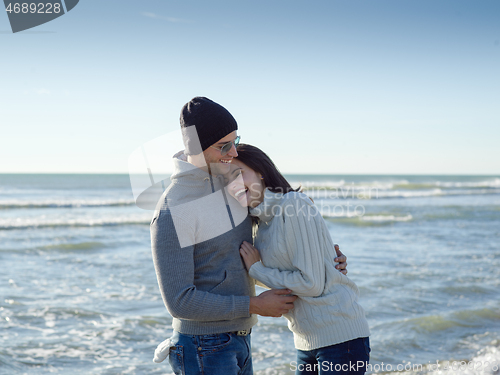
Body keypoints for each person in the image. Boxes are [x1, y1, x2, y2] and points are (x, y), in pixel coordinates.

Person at [150, 97, 348, 375]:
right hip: (202, 346)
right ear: (196, 146)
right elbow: (179, 301)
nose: (233, 152)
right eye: (223, 146)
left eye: (235, 140)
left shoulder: (230, 181)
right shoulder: (174, 210)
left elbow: (274, 232)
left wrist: (325, 256)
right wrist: (255, 304)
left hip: (240, 338)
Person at [227, 143, 370, 375]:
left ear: (260, 170)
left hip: (340, 337)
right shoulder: (259, 225)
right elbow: (281, 277)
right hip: (306, 340)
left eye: (237, 173)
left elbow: (311, 284)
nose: (232, 185)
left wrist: (257, 270)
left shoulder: (293, 204)